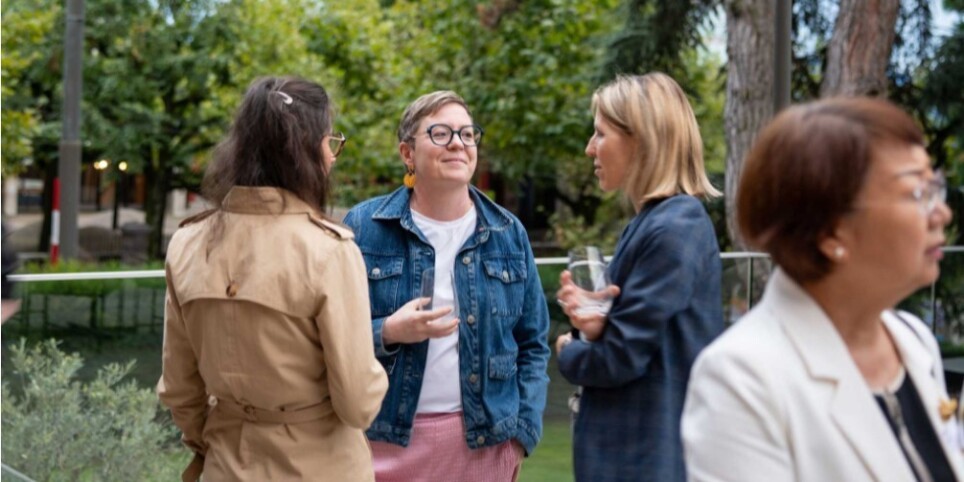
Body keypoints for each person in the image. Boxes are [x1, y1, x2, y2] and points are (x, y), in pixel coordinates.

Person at [681, 97, 964, 481]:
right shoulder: (742, 380)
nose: (942, 213)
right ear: (831, 233)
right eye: (917, 193)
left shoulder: (913, 341)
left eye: (936, 187)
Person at [157, 76, 388, 481]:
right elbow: (357, 403)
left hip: (226, 464)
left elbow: (179, 388)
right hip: (320, 467)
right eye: (330, 142)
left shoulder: (188, 243)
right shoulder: (329, 250)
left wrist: (211, 438)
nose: (332, 157)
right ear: (307, 150)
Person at [343, 90, 551, 482]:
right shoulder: (363, 227)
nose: (458, 143)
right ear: (408, 153)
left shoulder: (508, 232)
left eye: (467, 134)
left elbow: (533, 344)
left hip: (483, 447)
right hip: (380, 443)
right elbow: (330, 337)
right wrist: (388, 331)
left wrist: (522, 435)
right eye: (440, 133)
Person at [554, 73, 724, 482]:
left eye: (600, 134)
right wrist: (593, 327)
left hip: (649, 461)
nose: (590, 147)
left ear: (642, 139)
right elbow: (638, 336)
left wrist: (568, 351)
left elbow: (620, 357)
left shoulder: (675, 225)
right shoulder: (656, 222)